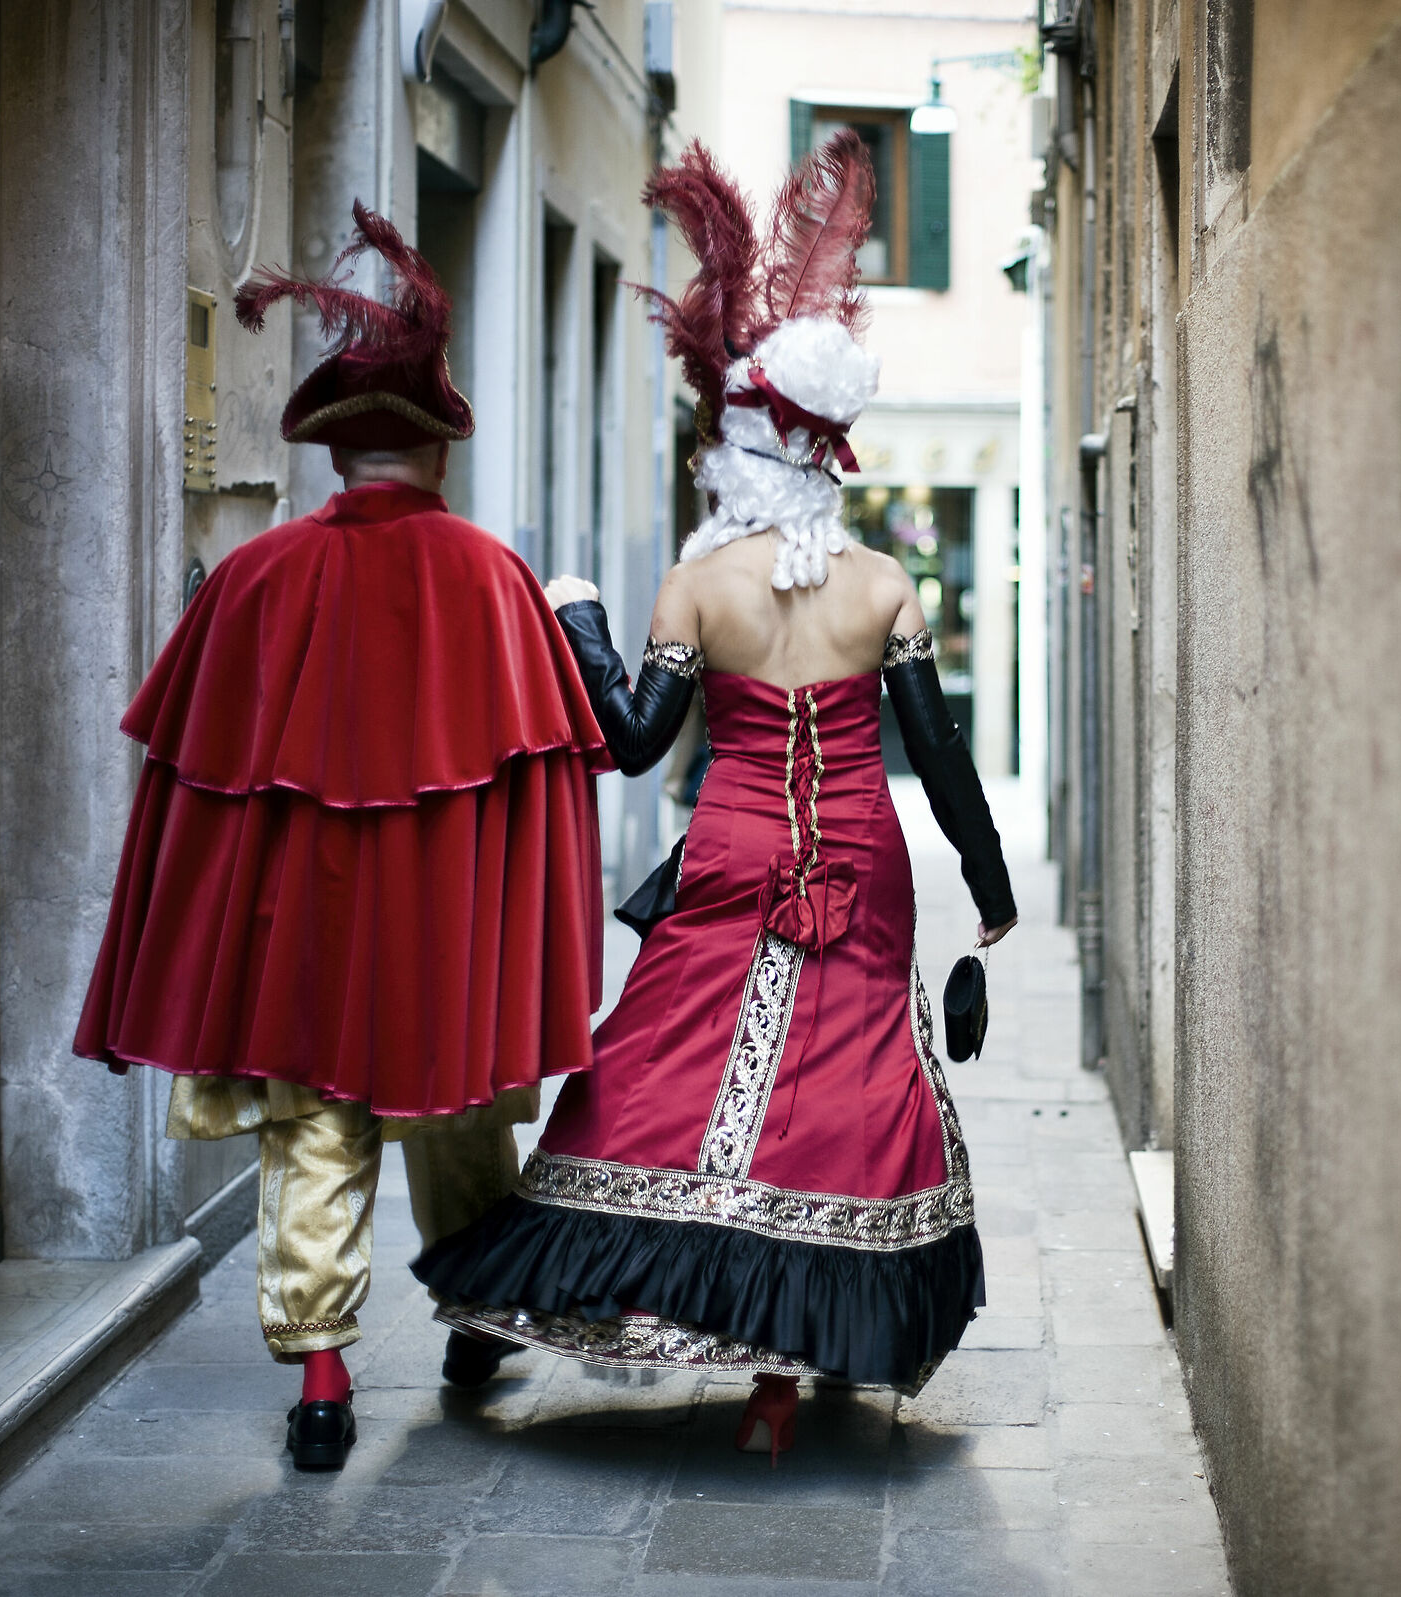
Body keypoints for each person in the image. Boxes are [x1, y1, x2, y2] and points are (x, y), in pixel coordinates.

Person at [413, 135, 1017, 1462]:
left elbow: (632, 742)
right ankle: (792, 1364)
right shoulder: (882, 589)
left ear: (743, 446)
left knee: (665, 1071)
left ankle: (554, 1300)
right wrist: (991, 894)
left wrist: (574, 620)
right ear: (830, 455)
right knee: (850, 1081)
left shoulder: (698, 588)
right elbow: (940, 751)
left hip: (733, 853)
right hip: (860, 860)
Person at [71, 205, 610, 1471]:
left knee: (313, 1126)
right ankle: (477, 1325)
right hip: (447, 929)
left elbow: (196, 796)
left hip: (302, 925)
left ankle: (323, 1383)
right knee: (467, 1116)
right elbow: (541, 799)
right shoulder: (496, 579)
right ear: (434, 451)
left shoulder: (255, 580)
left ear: (335, 454)